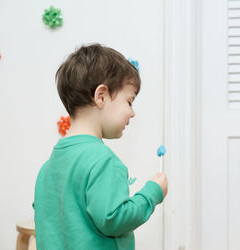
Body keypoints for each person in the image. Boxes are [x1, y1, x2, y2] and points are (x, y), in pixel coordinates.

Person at [34, 43, 168, 250]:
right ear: (101, 96)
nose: (132, 113)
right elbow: (114, 218)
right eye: (129, 102)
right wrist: (152, 193)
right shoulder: (102, 161)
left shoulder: (48, 168)